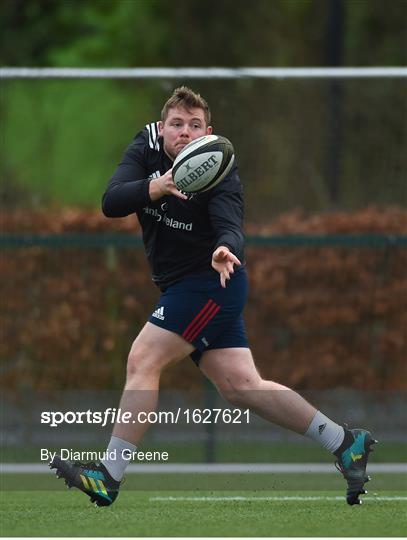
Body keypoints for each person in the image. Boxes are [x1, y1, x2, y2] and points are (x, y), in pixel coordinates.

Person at [51, 86, 376, 507]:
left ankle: (108, 475)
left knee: (143, 358)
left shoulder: (219, 165)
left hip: (211, 282)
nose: (185, 133)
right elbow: (112, 201)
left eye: (195, 125)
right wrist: (159, 186)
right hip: (182, 286)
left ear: (209, 132)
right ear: (162, 126)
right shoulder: (146, 147)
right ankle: (344, 441)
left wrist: (227, 248)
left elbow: (231, 224)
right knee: (242, 386)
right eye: (177, 124)